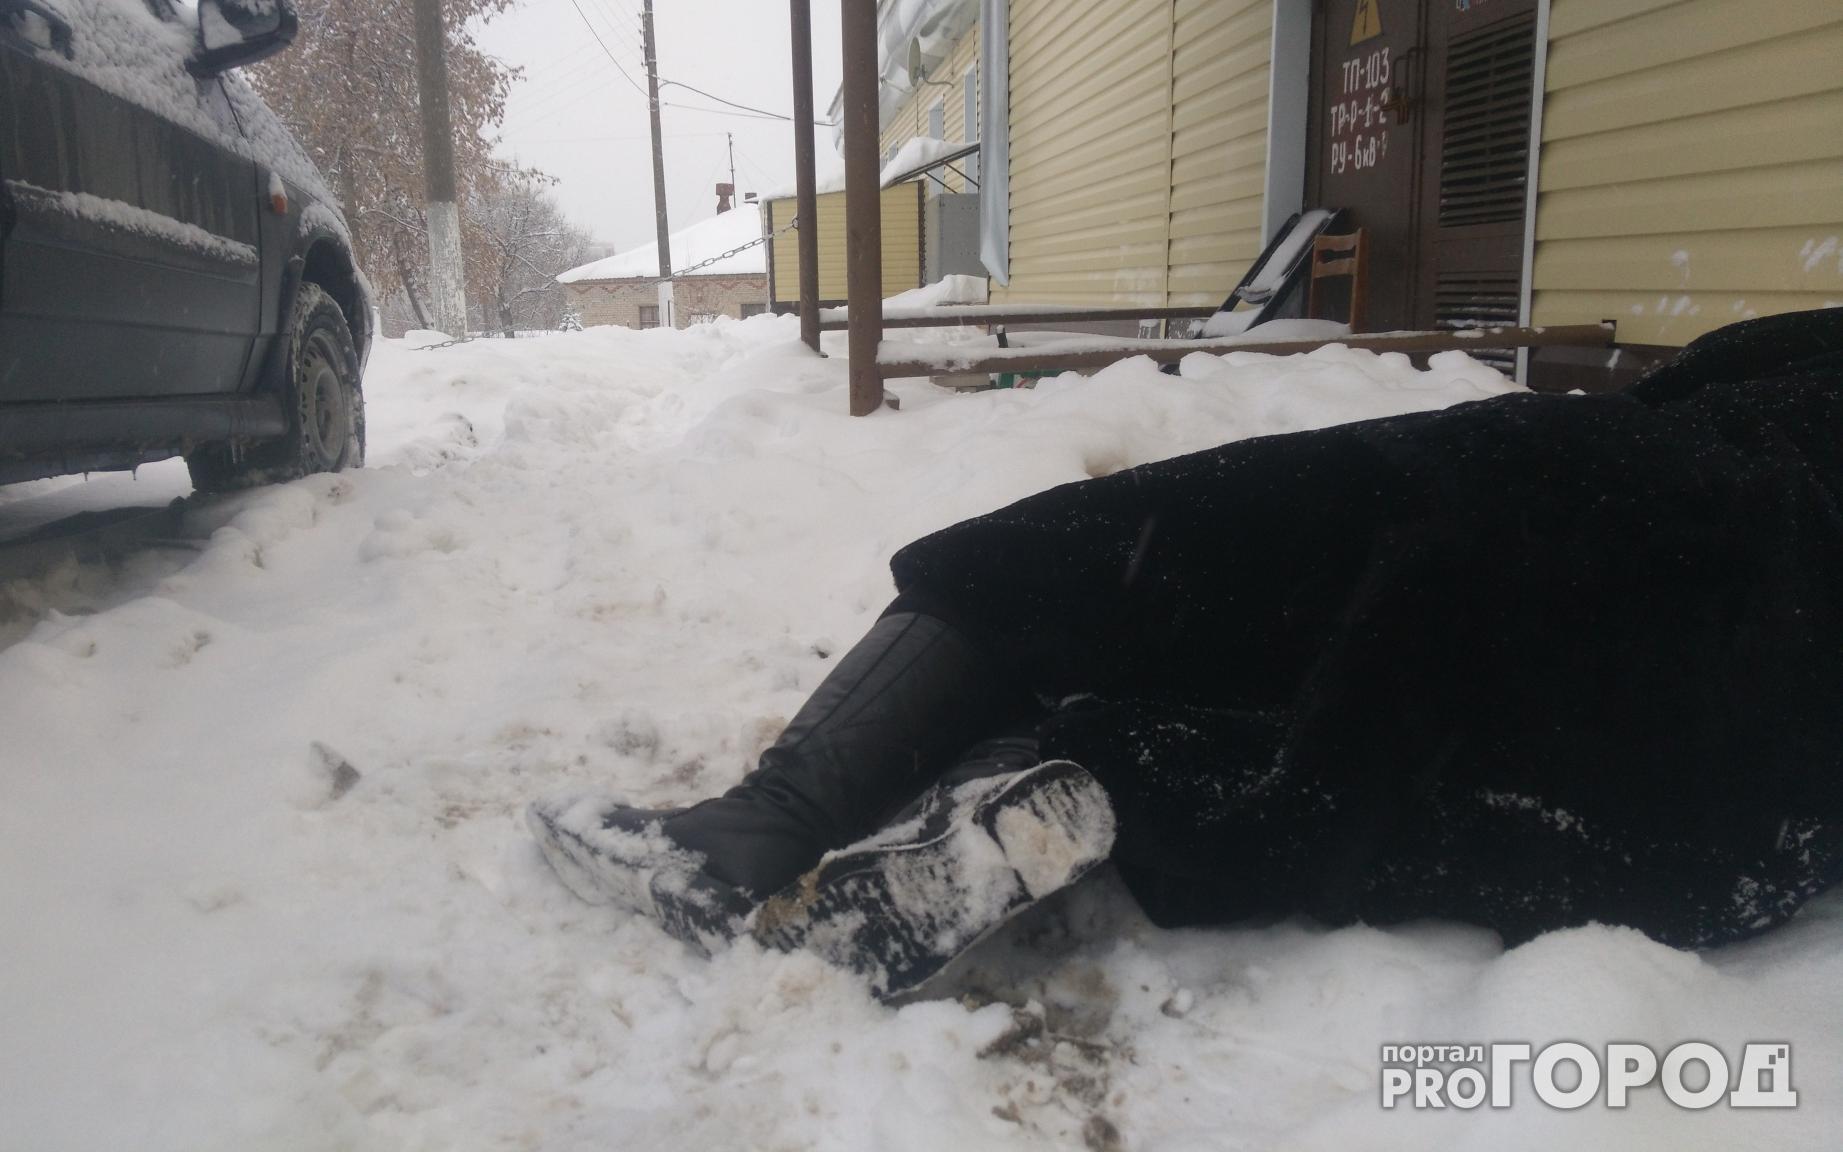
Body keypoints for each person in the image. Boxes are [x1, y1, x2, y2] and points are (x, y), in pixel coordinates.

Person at [530, 309, 1843, 1002]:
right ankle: (1120, 775)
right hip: (1747, 818)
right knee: (1380, 783)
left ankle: (755, 833)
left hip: (1609, 506)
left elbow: (1706, 396)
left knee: (1093, 563)